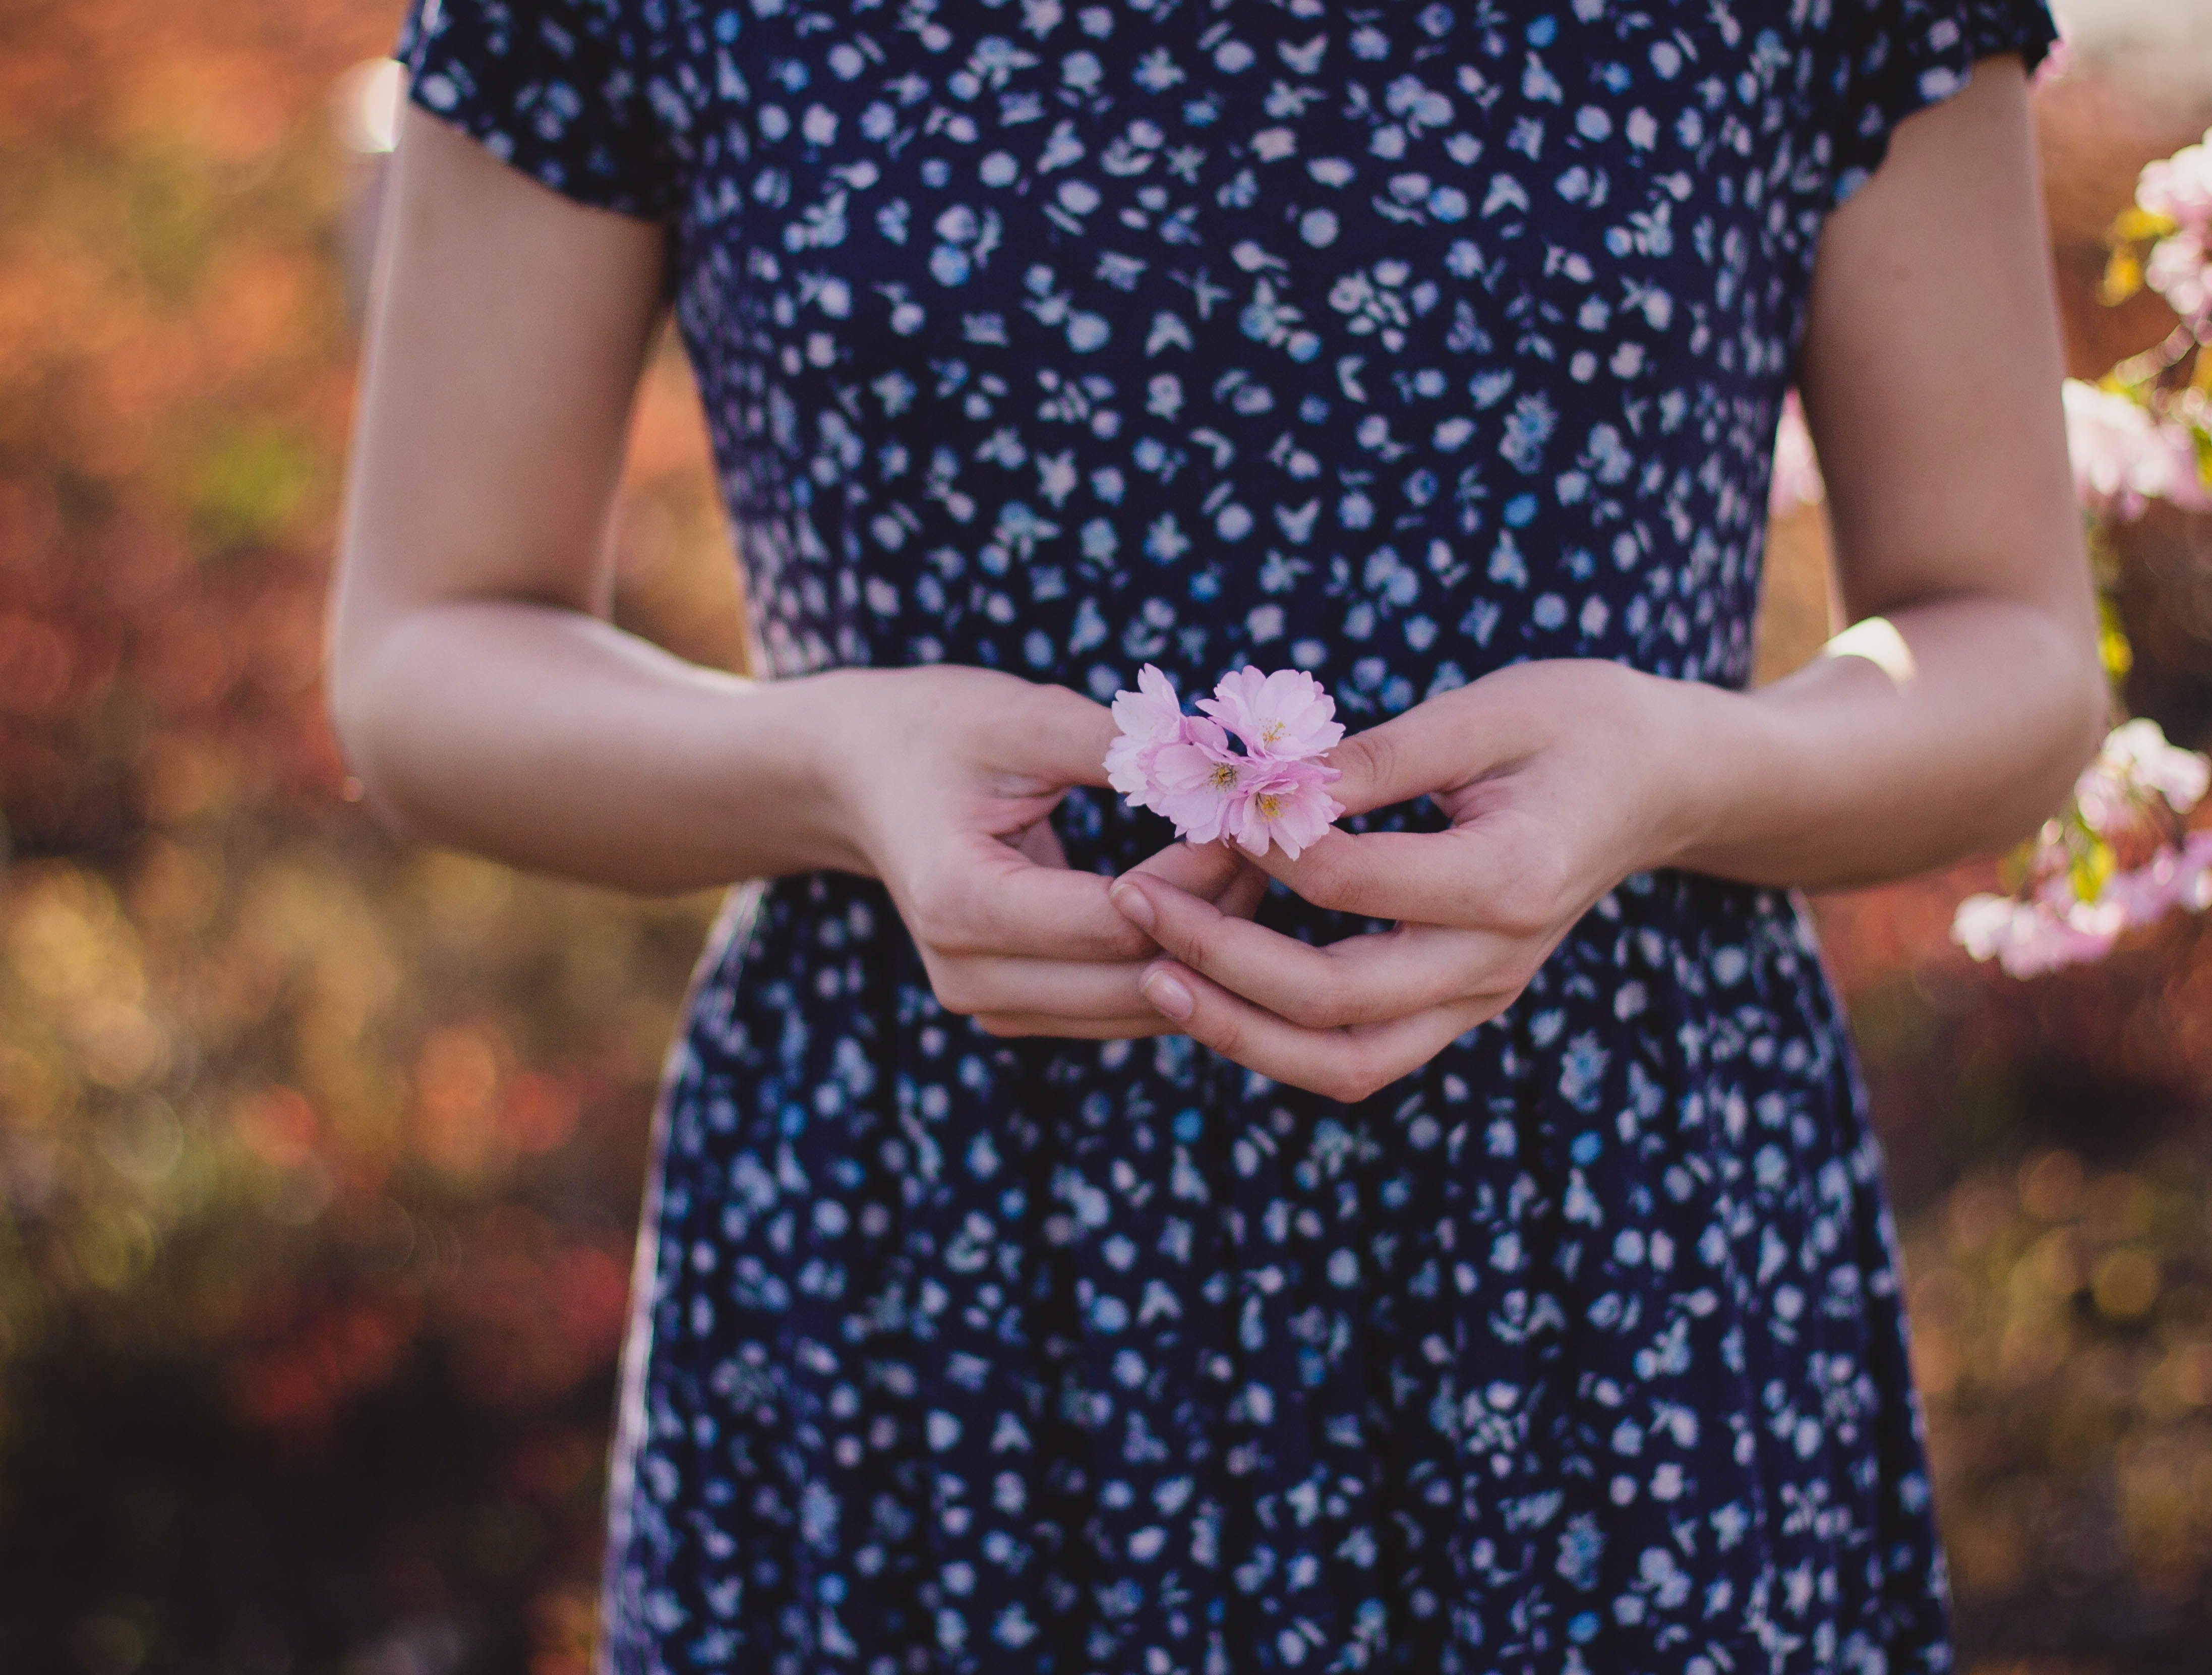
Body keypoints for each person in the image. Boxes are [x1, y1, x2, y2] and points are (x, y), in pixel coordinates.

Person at [331, 1, 2100, 1668]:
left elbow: (2008, 644)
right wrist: (826, 763)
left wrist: (1686, 765)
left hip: (1599, 1255)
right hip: (924, 1261)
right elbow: (426, 655)